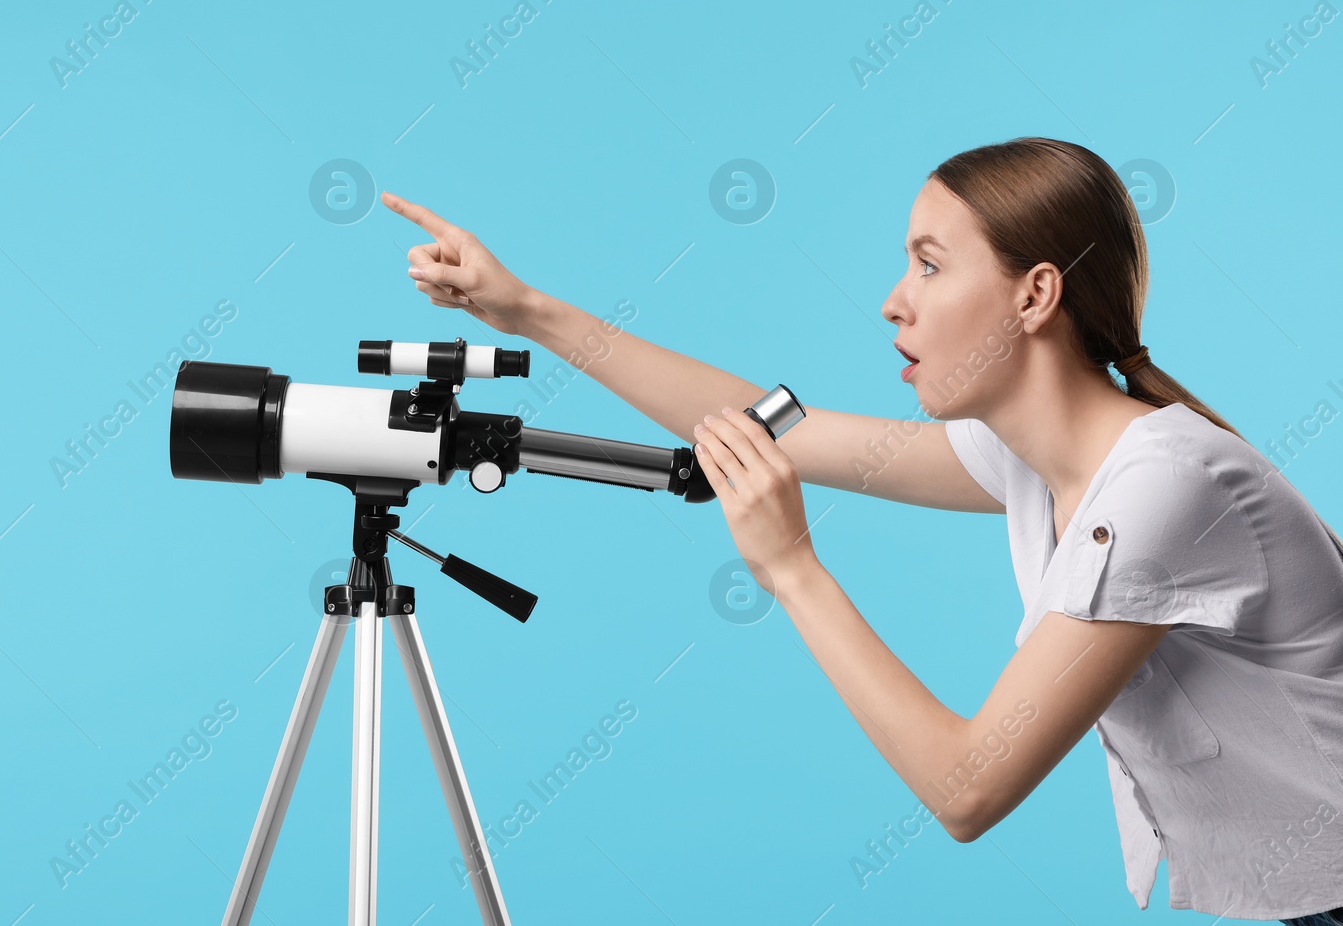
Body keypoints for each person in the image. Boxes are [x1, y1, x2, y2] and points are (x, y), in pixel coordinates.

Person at [381, 137, 1343, 924]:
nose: (894, 298)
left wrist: (793, 568)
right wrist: (529, 310)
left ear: (1035, 295)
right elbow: (760, 425)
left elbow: (967, 789)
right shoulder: (1035, 457)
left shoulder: (1161, 488)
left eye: (930, 263)